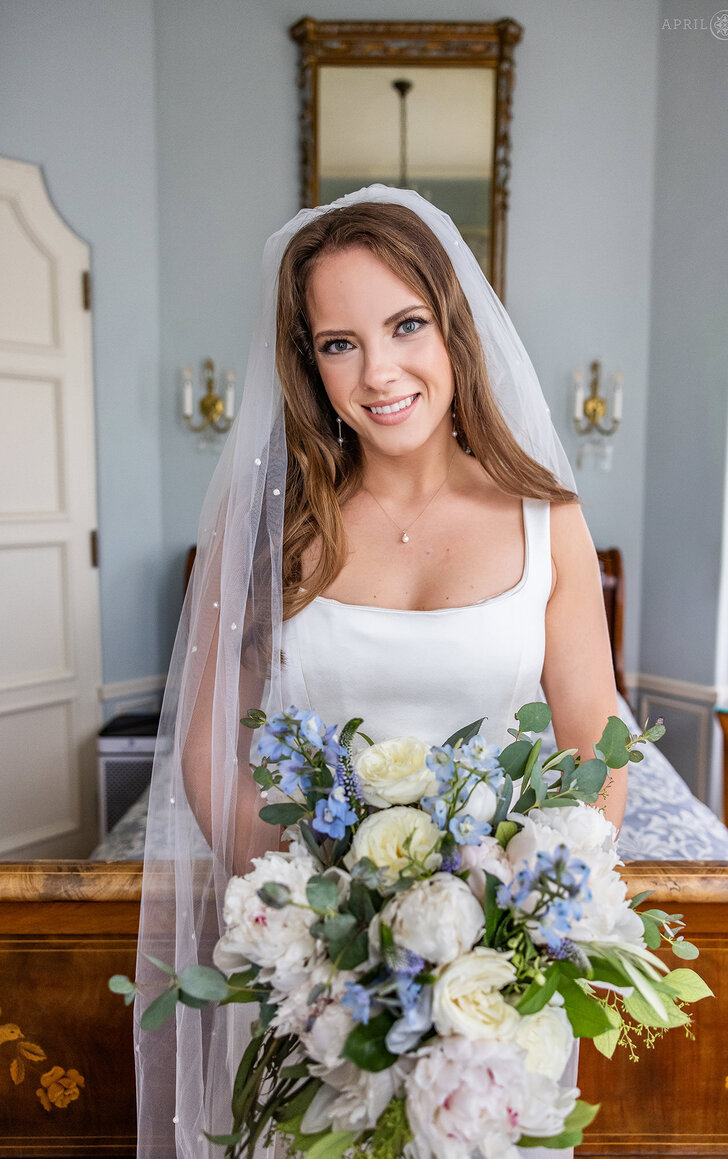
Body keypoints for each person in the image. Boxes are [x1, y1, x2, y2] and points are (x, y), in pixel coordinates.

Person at [135, 185, 626, 1159]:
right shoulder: (267, 521)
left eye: (405, 325)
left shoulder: (546, 517)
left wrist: (520, 929)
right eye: (338, 342)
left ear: (453, 330)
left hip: (496, 975)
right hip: (317, 979)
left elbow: (593, 741)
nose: (379, 371)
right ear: (308, 364)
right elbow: (206, 748)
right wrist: (313, 939)